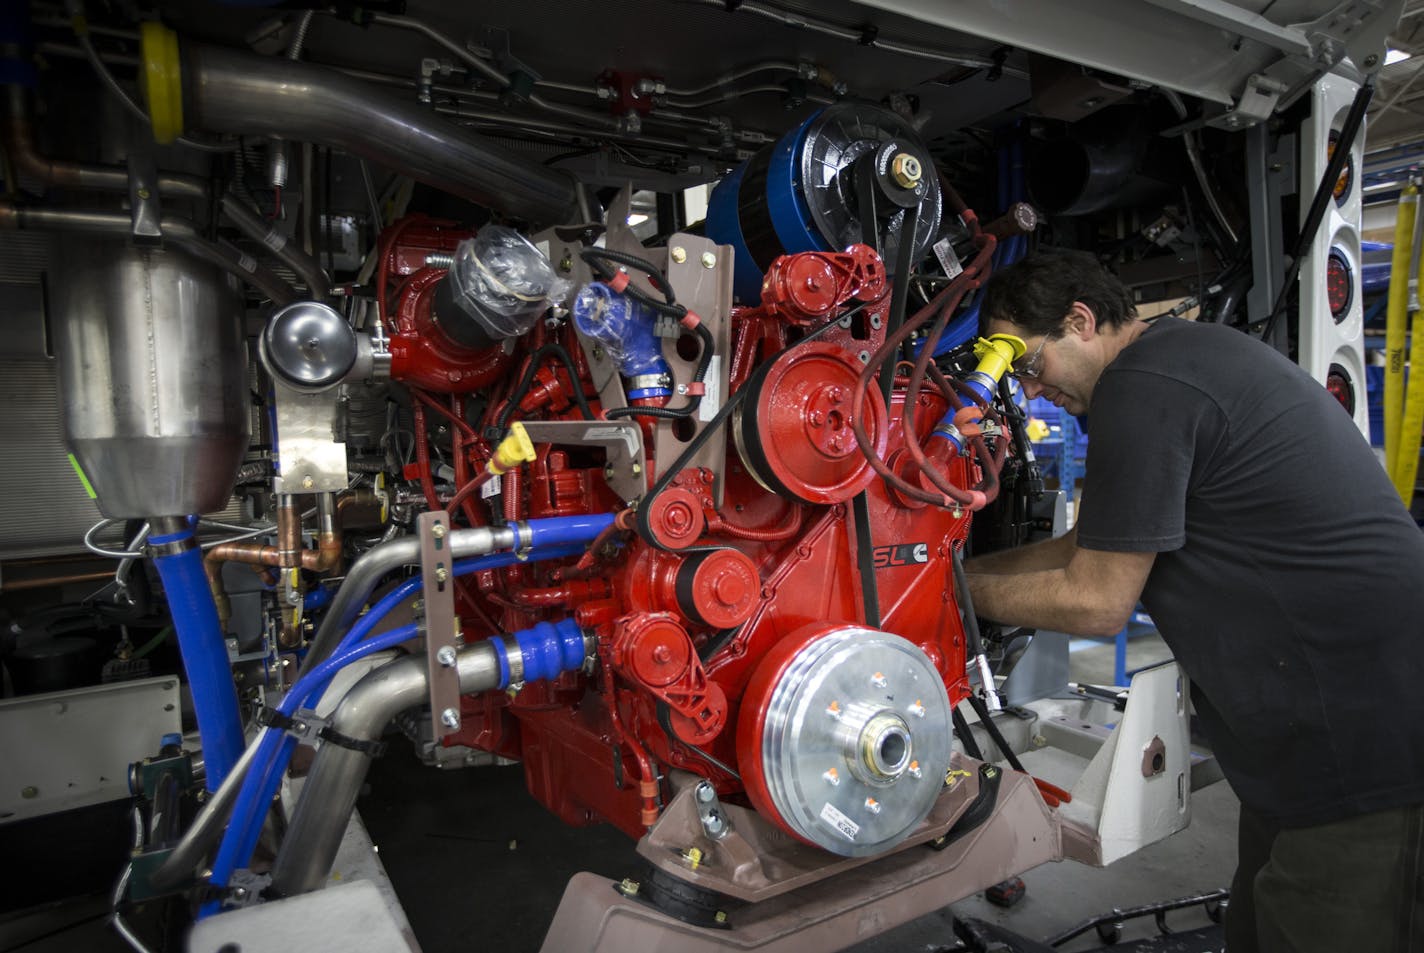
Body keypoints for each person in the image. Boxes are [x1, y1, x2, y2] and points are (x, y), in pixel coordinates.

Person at [964, 249, 1424, 953]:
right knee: (1259, 925)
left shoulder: (1142, 385)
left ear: (1081, 321)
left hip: (1364, 742)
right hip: (1299, 747)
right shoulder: (1181, 360)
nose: (1029, 392)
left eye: (1029, 364)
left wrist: (945, 592)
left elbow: (1095, 600)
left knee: (1320, 919)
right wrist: (953, 572)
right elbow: (1085, 550)